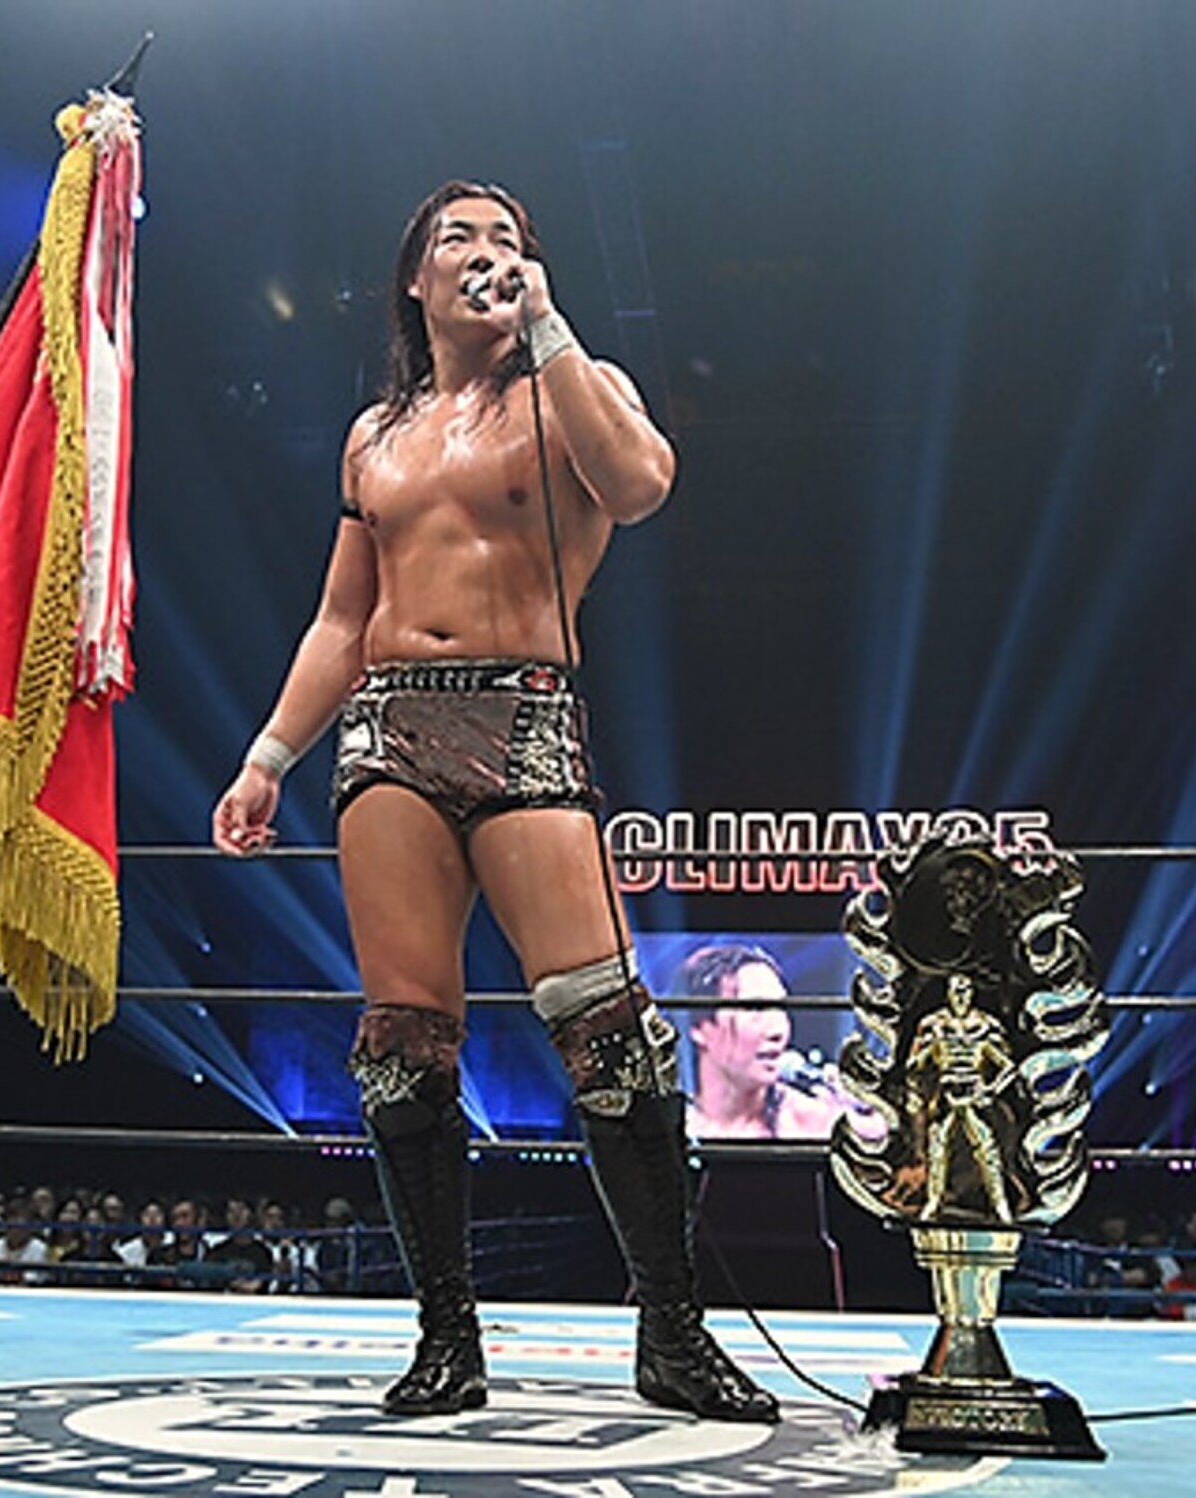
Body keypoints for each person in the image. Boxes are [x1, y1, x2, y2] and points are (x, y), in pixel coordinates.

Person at [213, 180, 775, 1423]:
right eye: (458, 238)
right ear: (416, 280)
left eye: (507, 239)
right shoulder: (376, 434)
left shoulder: (574, 386)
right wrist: (268, 755)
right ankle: (445, 1341)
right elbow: (341, 618)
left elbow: (641, 484)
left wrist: (551, 322)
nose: (485, 254)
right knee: (402, 1042)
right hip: (388, 727)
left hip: (523, 711)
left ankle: (673, 1334)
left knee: (606, 1026)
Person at [679, 943, 878, 1141]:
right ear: (700, 1026)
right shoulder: (677, 1130)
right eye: (755, 1009)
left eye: (781, 1007)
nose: (778, 1031)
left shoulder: (813, 1123)